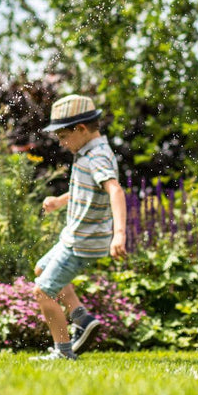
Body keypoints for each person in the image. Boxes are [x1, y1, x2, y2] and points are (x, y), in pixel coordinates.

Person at [30, 94, 127, 361]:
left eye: (63, 136)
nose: (62, 143)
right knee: (41, 269)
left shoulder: (96, 157)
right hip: (75, 236)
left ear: (81, 128)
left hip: (82, 240)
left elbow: (115, 190)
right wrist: (59, 201)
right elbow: (87, 188)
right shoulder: (90, 153)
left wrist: (119, 235)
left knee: (42, 291)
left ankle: (63, 352)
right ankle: (81, 318)